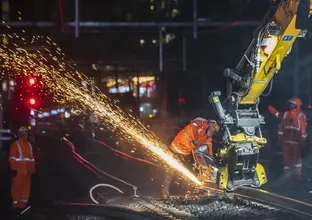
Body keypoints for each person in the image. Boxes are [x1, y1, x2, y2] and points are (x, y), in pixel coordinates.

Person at [161, 118, 220, 199]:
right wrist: (195, 139)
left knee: (193, 168)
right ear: (211, 124)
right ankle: (164, 192)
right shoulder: (201, 122)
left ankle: (192, 190)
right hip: (178, 146)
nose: (212, 133)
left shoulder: (207, 137)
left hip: (187, 151)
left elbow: (209, 145)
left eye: (214, 133)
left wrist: (211, 158)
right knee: (171, 168)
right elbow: (191, 127)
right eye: (213, 130)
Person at [268, 98, 307, 179]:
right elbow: (277, 115)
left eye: (292, 104)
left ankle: (298, 175)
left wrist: (302, 140)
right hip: (286, 141)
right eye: (290, 104)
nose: (290, 105)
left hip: (296, 141)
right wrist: (269, 107)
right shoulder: (286, 114)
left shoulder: (300, 115)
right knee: (286, 159)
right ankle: (287, 175)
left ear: (297, 105)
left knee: (297, 159)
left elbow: (303, 129)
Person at [9, 126, 35, 210]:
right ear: (19, 134)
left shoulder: (29, 145)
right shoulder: (15, 144)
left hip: (27, 172)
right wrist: (13, 169)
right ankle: (16, 203)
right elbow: (12, 158)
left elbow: (31, 159)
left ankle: (24, 204)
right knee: (16, 187)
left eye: (25, 133)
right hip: (18, 171)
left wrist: (32, 170)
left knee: (26, 187)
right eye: (22, 133)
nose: (24, 135)